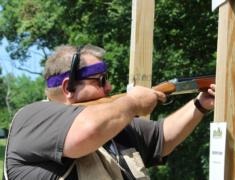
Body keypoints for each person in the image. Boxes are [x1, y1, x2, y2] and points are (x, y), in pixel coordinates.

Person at [4, 44, 215, 180]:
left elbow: (161, 137)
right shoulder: (32, 117)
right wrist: (132, 102)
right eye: (101, 80)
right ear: (68, 87)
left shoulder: (111, 125)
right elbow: (87, 131)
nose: (110, 87)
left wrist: (200, 104)